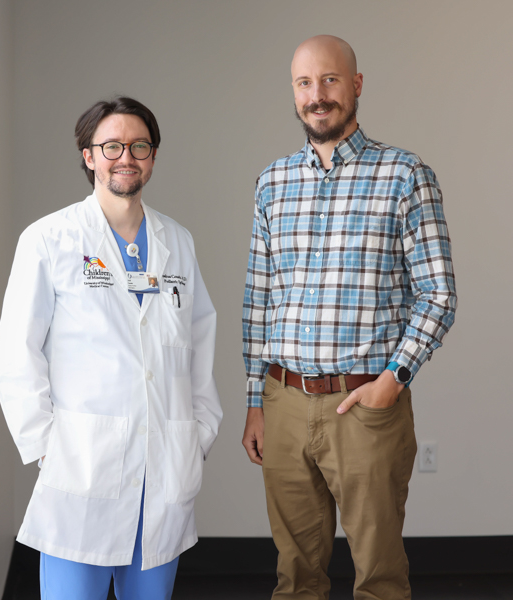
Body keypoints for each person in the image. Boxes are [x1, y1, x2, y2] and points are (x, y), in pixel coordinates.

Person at [241, 35, 457, 599]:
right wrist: (254, 401)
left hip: (364, 405)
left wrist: (393, 380)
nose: (318, 95)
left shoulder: (406, 176)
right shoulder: (272, 183)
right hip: (283, 403)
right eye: (305, 83)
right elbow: (259, 299)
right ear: (293, 94)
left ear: (356, 86)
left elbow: (438, 294)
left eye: (330, 80)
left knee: (379, 576)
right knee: (295, 577)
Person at [0, 96, 222, 600]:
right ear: (88, 155)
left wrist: (200, 431)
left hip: (162, 471)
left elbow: (199, 340)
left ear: (154, 156)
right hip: (81, 471)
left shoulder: (177, 242)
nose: (127, 156)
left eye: (139, 145)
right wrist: (45, 447)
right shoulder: (50, 239)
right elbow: (17, 350)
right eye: (112, 146)